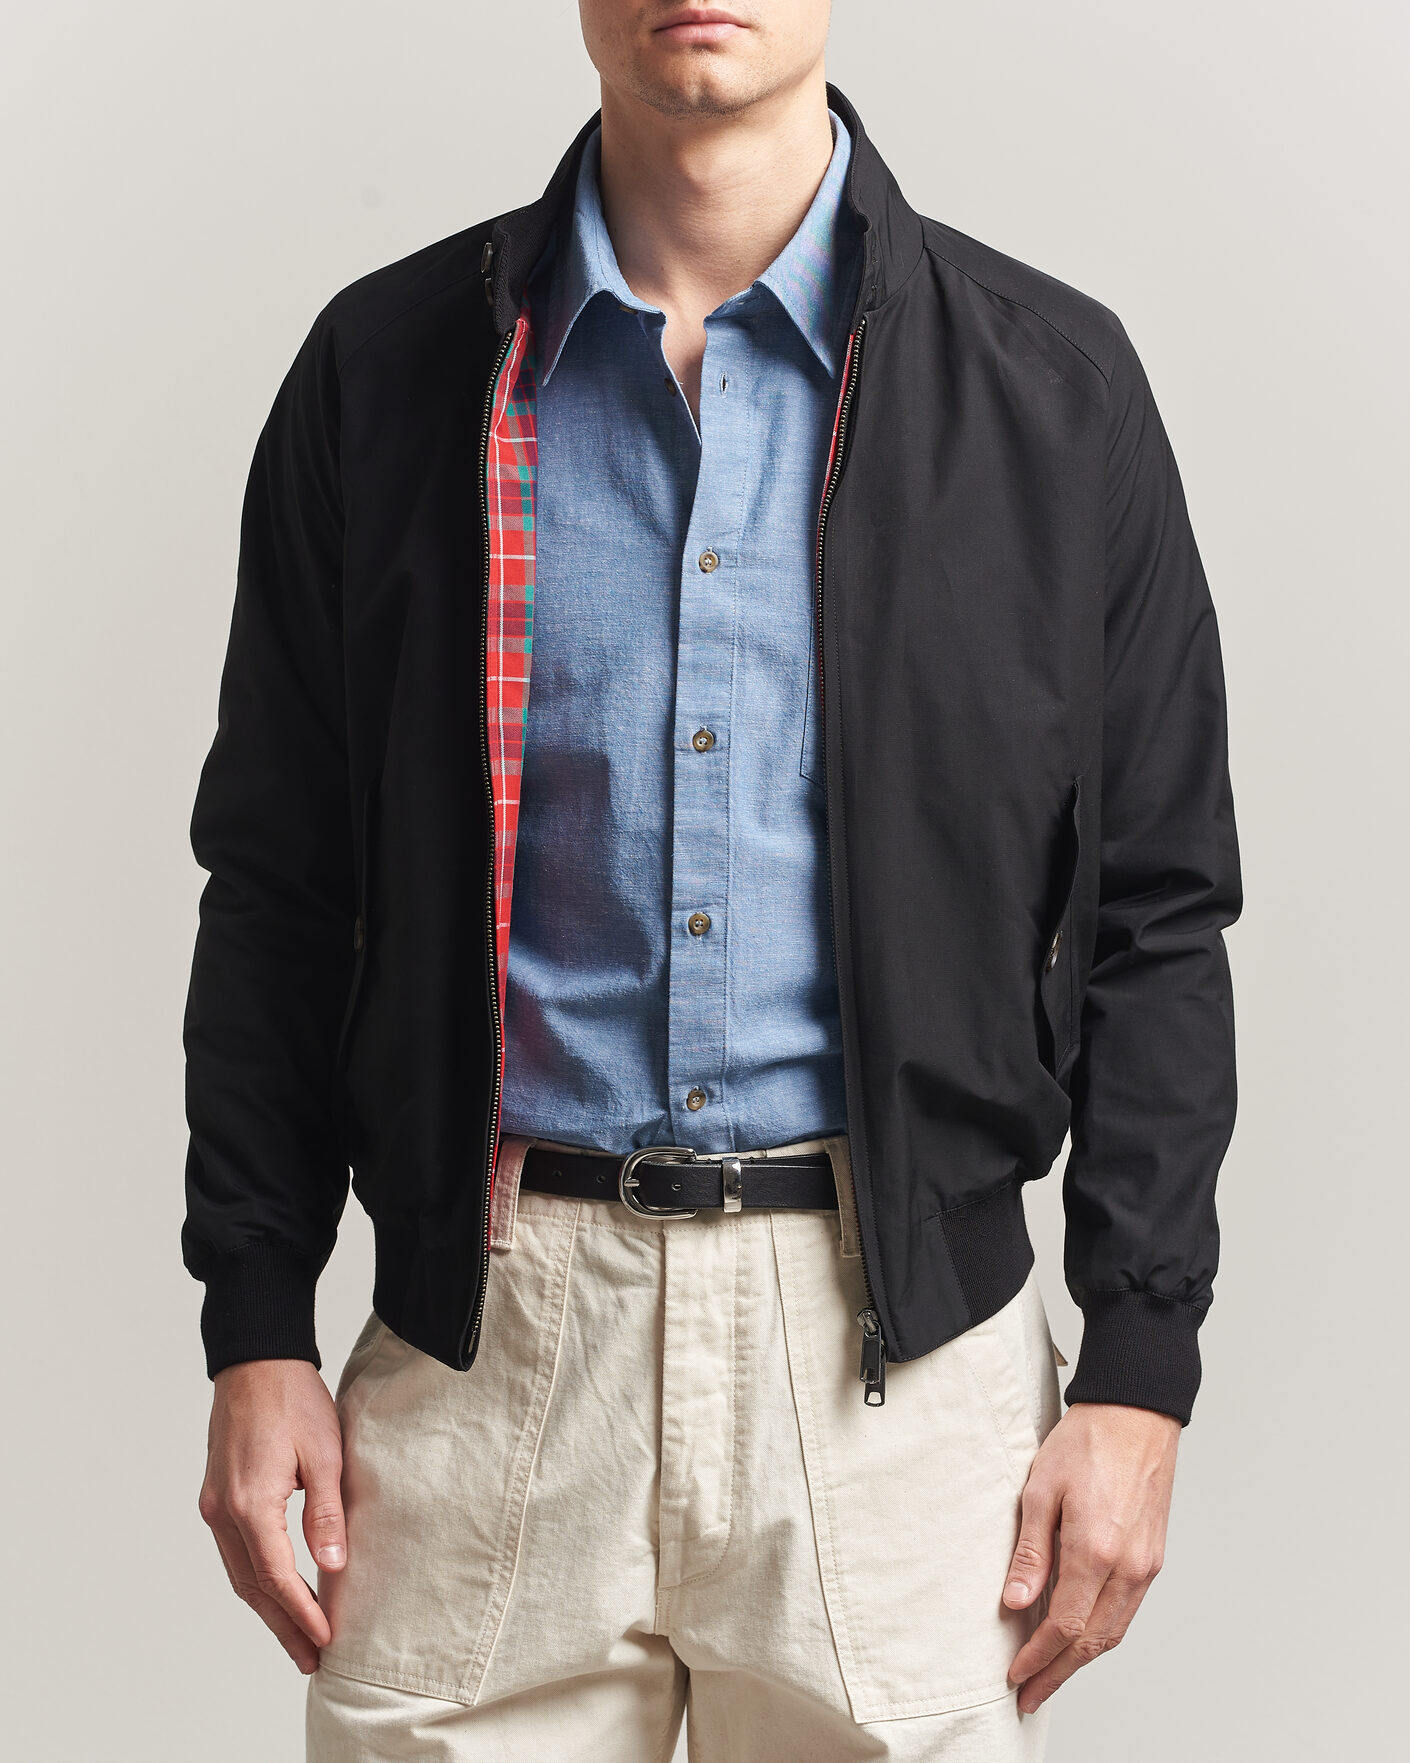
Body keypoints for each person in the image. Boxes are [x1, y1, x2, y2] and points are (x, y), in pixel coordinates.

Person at [183, 4, 1241, 1758]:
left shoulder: (1053, 392)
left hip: (901, 1374)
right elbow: (278, 884)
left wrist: (1141, 1367)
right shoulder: (388, 373)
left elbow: (1154, 909)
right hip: (487, 1347)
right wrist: (256, 1322)